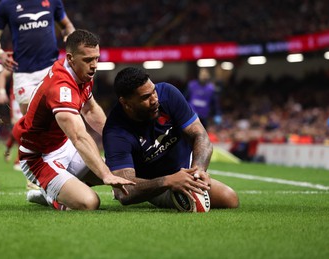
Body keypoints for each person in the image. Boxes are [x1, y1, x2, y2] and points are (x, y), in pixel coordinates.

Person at [12, 30, 135, 211]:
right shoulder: (61, 88)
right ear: (70, 58)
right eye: (88, 60)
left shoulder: (82, 74)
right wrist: (105, 174)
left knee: (124, 170)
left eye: (96, 58)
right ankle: (50, 195)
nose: (94, 65)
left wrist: (118, 138)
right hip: (40, 158)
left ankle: (60, 188)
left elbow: (91, 110)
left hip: (64, 146)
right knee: (89, 203)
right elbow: (79, 137)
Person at [102, 67, 239, 210]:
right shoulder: (115, 133)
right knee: (195, 207)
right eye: (145, 97)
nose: (155, 100)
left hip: (186, 171)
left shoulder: (168, 94)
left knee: (229, 198)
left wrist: (199, 171)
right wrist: (167, 181)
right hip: (154, 184)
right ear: (126, 103)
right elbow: (124, 192)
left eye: (154, 91)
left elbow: (200, 135)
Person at [0, 0, 75, 115]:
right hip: (24, 74)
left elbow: (67, 25)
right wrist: (0, 54)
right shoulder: (6, 5)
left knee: (63, 117)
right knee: (32, 125)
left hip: (51, 68)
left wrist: (70, 36)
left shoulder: (53, 1)